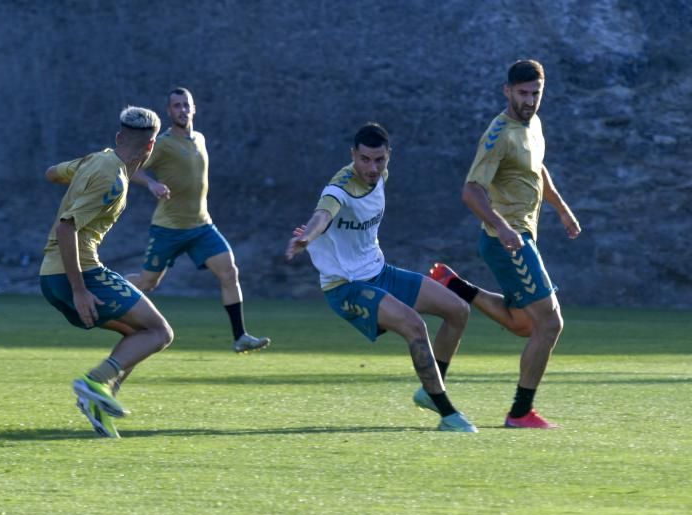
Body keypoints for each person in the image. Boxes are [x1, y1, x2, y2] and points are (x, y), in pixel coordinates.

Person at [285, 122, 477, 433]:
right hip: (346, 287)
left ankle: (430, 390)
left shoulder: (380, 177)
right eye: (364, 159)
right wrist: (307, 236)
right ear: (353, 155)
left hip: (379, 272)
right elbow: (323, 214)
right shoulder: (339, 188)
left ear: (389, 156)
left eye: (379, 160)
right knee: (415, 326)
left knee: (458, 310)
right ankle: (447, 413)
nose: (372, 168)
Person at [424, 59, 581, 429]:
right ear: (506, 91)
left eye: (535, 93)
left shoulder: (534, 125)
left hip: (518, 237)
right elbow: (471, 191)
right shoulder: (498, 134)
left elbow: (537, 168)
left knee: (525, 325)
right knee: (550, 323)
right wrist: (502, 226)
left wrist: (561, 209)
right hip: (507, 241)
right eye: (522, 93)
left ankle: (455, 286)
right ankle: (520, 412)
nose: (529, 100)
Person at [40, 106, 173, 438]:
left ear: (118, 138)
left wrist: (78, 175)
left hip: (51, 276)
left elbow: (52, 173)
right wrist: (80, 289)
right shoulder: (112, 178)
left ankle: (100, 403)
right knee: (159, 332)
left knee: (138, 334)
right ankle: (93, 382)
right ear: (151, 147)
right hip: (78, 273)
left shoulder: (95, 160)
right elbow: (67, 228)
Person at [126, 87, 270, 354]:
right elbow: (129, 167)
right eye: (176, 106)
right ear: (169, 112)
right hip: (168, 228)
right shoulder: (163, 143)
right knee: (148, 283)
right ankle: (107, 288)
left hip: (202, 226)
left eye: (186, 105)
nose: (182, 110)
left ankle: (240, 337)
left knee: (229, 272)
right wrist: (151, 184)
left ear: (194, 109)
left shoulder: (200, 139)